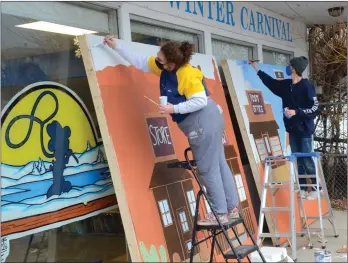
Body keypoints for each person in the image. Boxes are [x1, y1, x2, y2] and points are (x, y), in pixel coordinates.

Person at [103, 35, 239, 225]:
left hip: (202, 121)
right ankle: (232, 209)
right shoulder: (166, 69)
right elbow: (141, 61)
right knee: (218, 162)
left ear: (171, 63)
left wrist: (173, 109)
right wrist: (117, 46)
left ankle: (219, 214)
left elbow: (199, 100)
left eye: (161, 59)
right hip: (210, 117)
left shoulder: (185, 73)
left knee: (208, 168)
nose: (157, 60)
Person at [250, 57, 320, 200]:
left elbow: (315, 108)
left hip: (305, 130)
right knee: (297, 160)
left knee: (306, 159)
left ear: (294, 68)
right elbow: (271, 83)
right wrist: (256, 68)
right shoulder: (287, 85)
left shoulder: (307, 86)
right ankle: (302, 188)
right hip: (293, 130)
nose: (288, 67)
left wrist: (297, 112)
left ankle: (315, 188)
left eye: (290, 65)